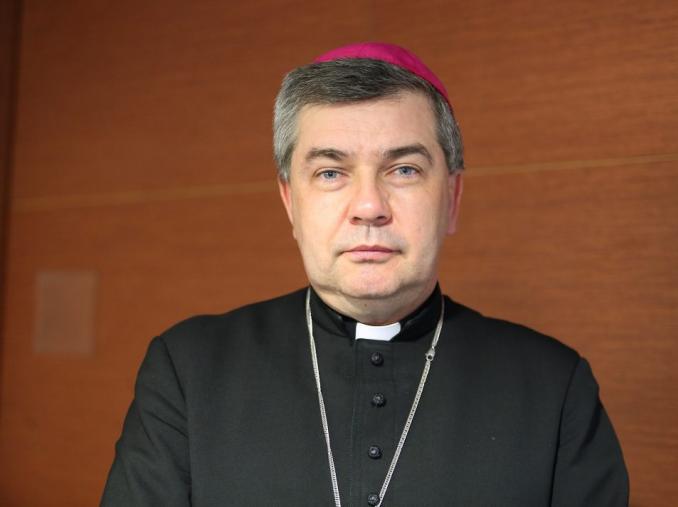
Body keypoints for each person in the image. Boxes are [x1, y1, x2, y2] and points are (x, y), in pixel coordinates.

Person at [101, 42, 628, 507]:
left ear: (451, 198)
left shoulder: (554, 388)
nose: (370, 206)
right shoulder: (189, 371)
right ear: (290, 202)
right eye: (331, 172)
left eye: (404, 169)